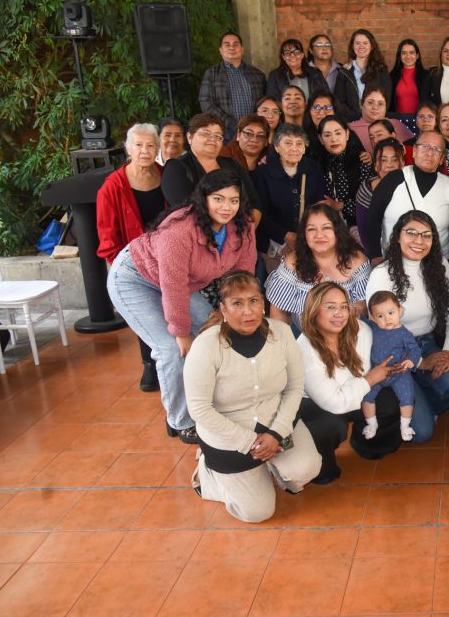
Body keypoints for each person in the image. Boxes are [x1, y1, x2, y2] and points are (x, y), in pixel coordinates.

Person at [107, 170, 257, 444]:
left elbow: (242, 279)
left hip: (180, 284)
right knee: (171, 349)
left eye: (233, 201)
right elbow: (173, 286)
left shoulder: (242, 226)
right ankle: (180, 421)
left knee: (219, 331)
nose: (227, 207)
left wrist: (229, 313)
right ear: (203, 198)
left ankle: (217, 402)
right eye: (218, 199)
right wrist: (181, 332)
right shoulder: (179, 231)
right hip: (135, 278)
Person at [184, 271, 322, 523]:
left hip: (275, 423)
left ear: (263, 303)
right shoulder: (205, 346)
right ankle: (208, 473)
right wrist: (250, 441)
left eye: (254, 301)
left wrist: (276, 433)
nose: (248, 311)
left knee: (305, 471)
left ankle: (266, 467)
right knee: (257, 513)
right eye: (237, 303)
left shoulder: (282, 333)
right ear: (223, 309)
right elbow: (199, 409)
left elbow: (294, 388)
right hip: (229, 436)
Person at [364, 212, 449, 442]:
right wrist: (419, 364)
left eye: (426, 235)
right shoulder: (381, 275)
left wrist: (448, 352)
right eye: (411, 233)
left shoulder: (440, 265)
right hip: (394, 354)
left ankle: (418, 397)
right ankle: (412, 397)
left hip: (429, 343)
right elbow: (379, 330)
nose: (419, 241)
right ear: (397, 238)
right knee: (422, 433)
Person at [297, 282, 402, 484]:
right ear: (313, 310)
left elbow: (363, 373)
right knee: (332, 426)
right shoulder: (305, 347)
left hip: (351, 392)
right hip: (315, 405)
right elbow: (334, 402)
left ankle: (367, 444)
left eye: (344, 306)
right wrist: (370, 379)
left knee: (390, 399)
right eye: (330, 307)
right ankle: (320, 462)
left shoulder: (359, 329)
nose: (340, 313)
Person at [96, 123, 167, 392]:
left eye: (150, 145)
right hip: (133, 262)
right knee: (145, 309)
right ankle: (149, 363)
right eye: (138, 145)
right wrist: (119, 271)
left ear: (158, 149)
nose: (145, 151)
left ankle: (168, 359)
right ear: (128, 148)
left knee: (168, 307)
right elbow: (107, 237)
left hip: (164, 257)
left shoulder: (164, 176)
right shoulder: (112, 187)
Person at [265, 202, 372, 328]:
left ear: (337, 231)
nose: (319, 235)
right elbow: (279, 312)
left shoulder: (357, 260)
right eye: (311, 229)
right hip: (303, 337)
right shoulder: (293, 261)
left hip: (349, 334)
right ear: (304, 234)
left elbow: (362, 308)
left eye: (326, 228)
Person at [363, 131, 449, 260]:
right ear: (414, 151)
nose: (429, 153)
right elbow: (373, 218)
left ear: (441, 158)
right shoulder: (394, 179)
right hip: (393, 262)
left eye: (436, 149)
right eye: (425, 147)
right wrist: (375, 256)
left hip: (438, 264)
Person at [160, 113, 262, 224]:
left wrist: (245, 235)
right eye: (205, 133)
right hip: (196, 237)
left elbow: (254, 204)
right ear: (190, 137)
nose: (212, 139)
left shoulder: (232, 165)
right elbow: (186, 213)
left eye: (218, 136)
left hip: (240, 235)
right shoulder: (176, 168)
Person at [252, 123, 325, 263]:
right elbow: (260, 213)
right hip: (274, 244)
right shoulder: (263, 172)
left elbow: (319, 205)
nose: (294, 148)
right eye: (288, 143)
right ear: (277, 147)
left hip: (309, 240)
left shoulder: (313, 168)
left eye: (299, 144)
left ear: (304, 149)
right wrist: (285, 235)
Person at [361, 290, 421, 442]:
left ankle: (405, 426)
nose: (387, 319)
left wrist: (411, 361)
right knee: (367, 396)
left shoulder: (404, 333)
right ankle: (372, 424)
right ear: (373, 318)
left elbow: (414, 350)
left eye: (391, 312)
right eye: (380, 316)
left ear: (400, 311)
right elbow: (358, 321)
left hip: (399, 372)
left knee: (407, 396)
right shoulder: (372, 327)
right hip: (375, 372)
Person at [199, 32, 267, 141]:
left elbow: (265, 101)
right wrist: (229, 122)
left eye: (236, 44)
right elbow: (205, 102)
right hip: (225, 131)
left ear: (242, 49)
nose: (232, 48)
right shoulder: (212, 74)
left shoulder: (257, 74)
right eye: (227, 45)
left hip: (254, 132)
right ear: (220, 50)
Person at [312, 115, 372, 231]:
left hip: (358, 225)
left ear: (347, 134)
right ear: (320, 139)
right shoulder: (315, 164)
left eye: (338, 133)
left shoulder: (362, 160)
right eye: (327, 135)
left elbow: (368, 203)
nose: (334, 139)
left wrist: (339, 206)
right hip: (325, 226)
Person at [355, 138, 405, 240]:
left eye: (394, 159)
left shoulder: (411, 185)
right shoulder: (367, 190)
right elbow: (364, 231)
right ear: (375, 164)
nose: (389, 165)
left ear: (403, 163)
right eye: (383, 160)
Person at [348, 85, 413, 151]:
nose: (375, 107)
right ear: (361, 104)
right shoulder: (349, 129)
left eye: (380, 104)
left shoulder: (396, 124)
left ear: (386, 107)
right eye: (370, 103)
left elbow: (413, 151)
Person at [340, 29, 392, 108]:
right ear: (352, 46)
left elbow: (386, 98)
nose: (361, 46)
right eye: (357, 43)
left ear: (371, 46)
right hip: (351, 119)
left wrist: (374, 116)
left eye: (365, 43)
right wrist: (354, 118)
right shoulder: (344, 71)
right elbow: (339, 101)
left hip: (375, 118)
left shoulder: (381, 69)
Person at [265, 38, 328, 102]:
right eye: (287, 53)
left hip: (313, 111)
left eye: (296, 52)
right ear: (283, 57)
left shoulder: (316, 73)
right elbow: (273, 101)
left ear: (302, 55)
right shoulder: (275, 75)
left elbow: (326, 96)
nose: (292, 55)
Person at [389, 38, 428, 115]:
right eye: (404, 53)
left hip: (420, 121)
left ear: (417, 56)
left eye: (411, 53)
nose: (408, 56)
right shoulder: (392, 76)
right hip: (398, 121)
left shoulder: (426, 76)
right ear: (399, 56)